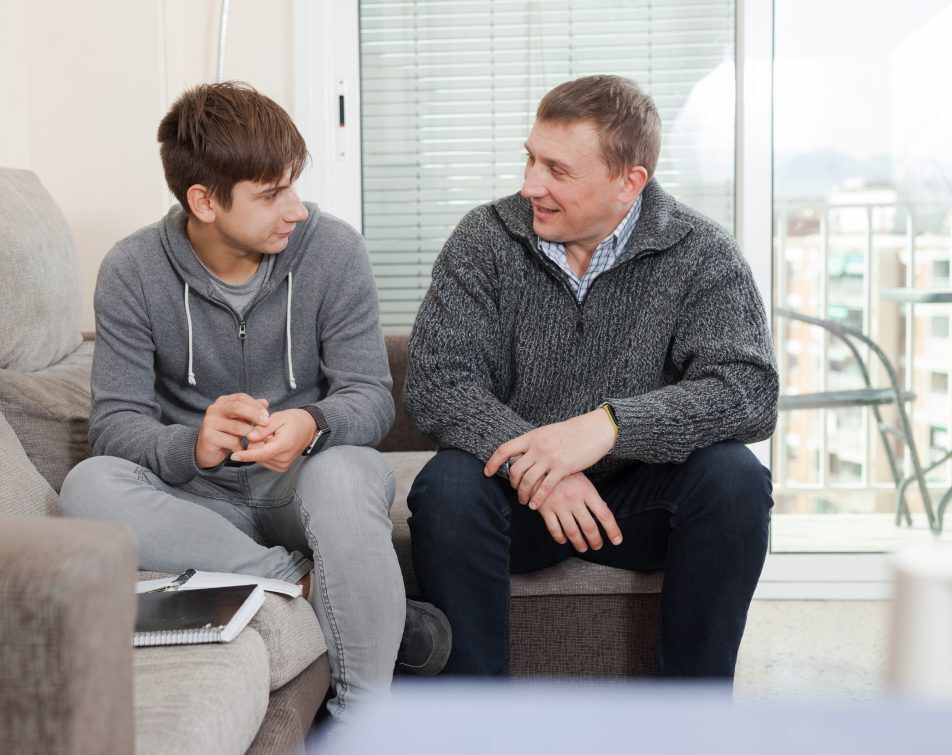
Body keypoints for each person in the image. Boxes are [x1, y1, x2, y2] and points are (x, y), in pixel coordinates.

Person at [60, 81, 450, 723]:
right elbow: (114, 426)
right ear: (204, 201)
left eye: (295, 185)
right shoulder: (132, 270)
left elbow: (372, 398)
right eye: (271, 194)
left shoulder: (334, 249)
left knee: (349, 471)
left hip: (304, 488)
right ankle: (311, 585)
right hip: (198, 500)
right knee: (87, 485)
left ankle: (362, 727)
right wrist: (192, 444)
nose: (295, 209)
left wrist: (313, 422)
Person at [404, 75, 778, 678]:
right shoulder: (484, 239)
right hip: (517, 505)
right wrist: (543, 469)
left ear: (629, 182)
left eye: (557, 169)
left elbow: (748, 391)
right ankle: (471, 727)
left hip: (639, 506)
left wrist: (608, 427)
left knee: (735, 478)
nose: (530, 184)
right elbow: (437, 383)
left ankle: (695, 726)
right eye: (530, 159)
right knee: (446, 487)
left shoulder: (701, 252)